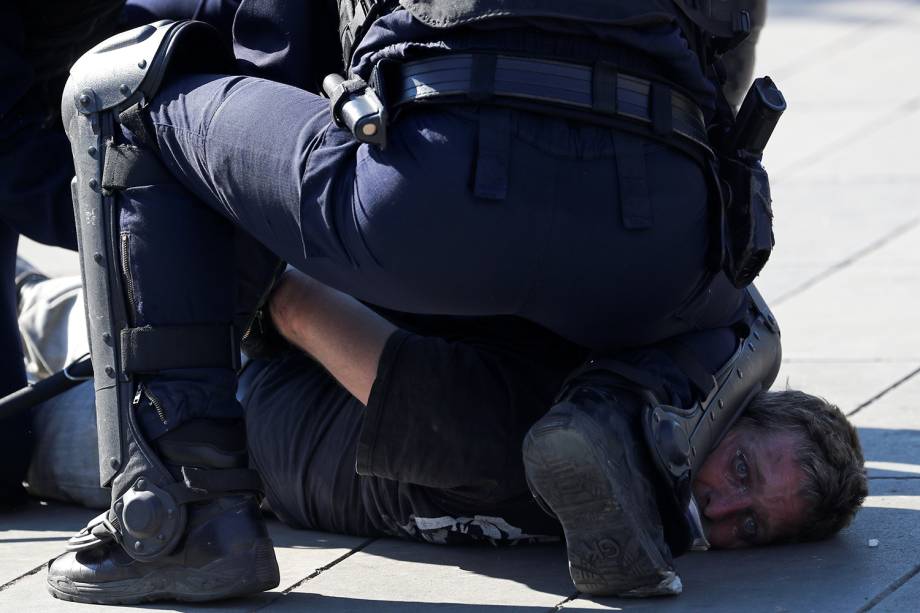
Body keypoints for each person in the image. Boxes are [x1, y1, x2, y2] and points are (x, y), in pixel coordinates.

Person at [53, 0, 786, 604]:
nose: (721, 510)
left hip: (426, 193)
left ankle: (179, 514)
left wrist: (252, 269)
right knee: (741, 306)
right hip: (654, 240)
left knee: (126, 84)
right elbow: (726, 77)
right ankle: (622, 415)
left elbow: (269, 52)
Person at [13, 262, 866, 601]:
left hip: (261, 449)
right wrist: (254, 284)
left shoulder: (639, 513)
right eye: (743, 471)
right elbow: (300, 306)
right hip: (220, 412)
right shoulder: (588, 425)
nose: (720, 505)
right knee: (68, 339)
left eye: (751, 525)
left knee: (56, 326)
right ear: (727, 410)